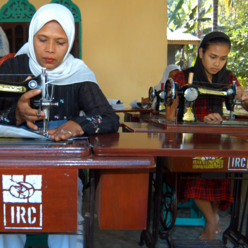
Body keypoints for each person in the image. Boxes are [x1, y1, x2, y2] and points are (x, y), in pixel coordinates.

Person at [0, 3, 119, 248]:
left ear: (71, 42)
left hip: (60, 163)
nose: (50, 49)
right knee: (7, 211)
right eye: (42, 39)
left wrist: (79, 123)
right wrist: (17, 115)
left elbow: (109, 118)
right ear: (32, 35)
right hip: (12, 160)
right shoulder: (12, 68)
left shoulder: (78, 74)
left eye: (60, 42)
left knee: (66, 209)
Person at [168, 31, 248, 240]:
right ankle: (212, 220)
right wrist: (197, 118)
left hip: (218, 139)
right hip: (188, 141)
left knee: (222, 174)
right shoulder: (181, 77)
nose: (218, 64)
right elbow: (170, 114)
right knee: (195, 174)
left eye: (223, 59)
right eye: (213, 57)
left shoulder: (229, 78)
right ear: (201, 52)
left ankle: (212, 219)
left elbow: (243, 102)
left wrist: (245, 97)